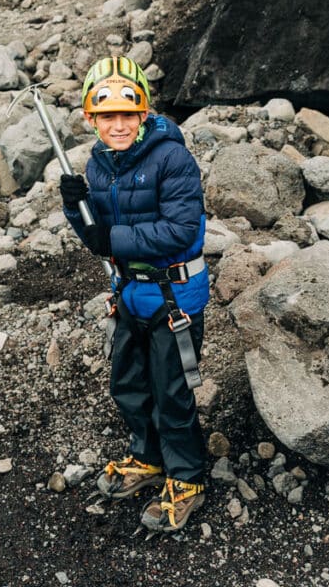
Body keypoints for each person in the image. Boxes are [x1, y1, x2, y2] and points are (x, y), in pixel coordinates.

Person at [60, 55, 209, 534]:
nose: (118, 124)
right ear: (91, 118)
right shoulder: (98, 165)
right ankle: (147, 457)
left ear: (144, 114)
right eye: (107, 116)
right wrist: (76, 210)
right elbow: (96, 236)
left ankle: (186, 478)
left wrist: (111, 240)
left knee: (173, 392)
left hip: (174, 297)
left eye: (129, 113)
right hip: (128, 292)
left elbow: (181, 230)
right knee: (128, 383)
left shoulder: (172, 158)